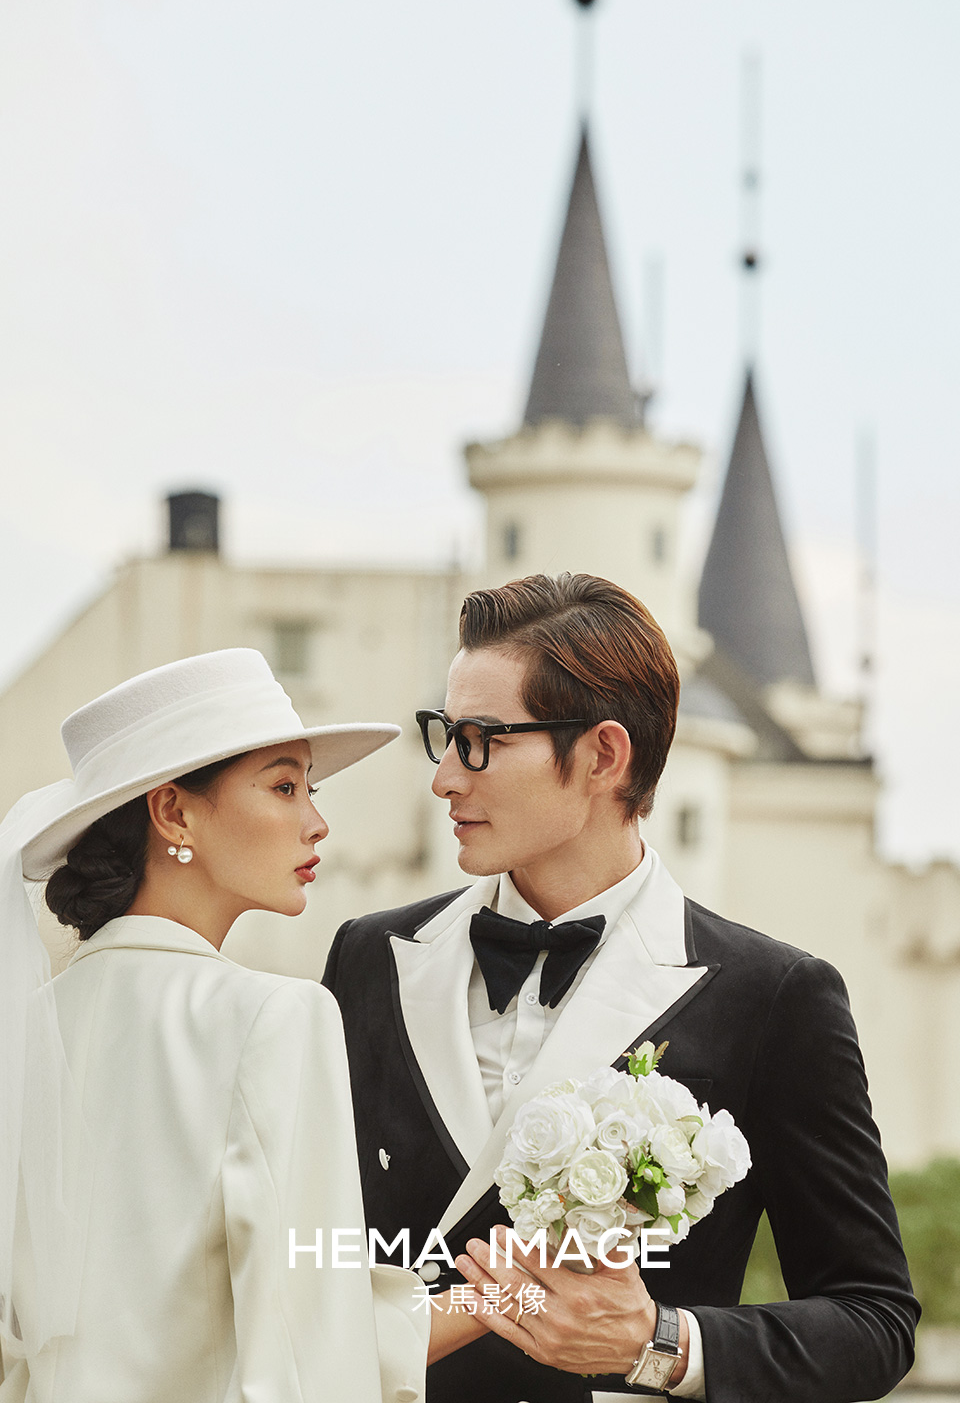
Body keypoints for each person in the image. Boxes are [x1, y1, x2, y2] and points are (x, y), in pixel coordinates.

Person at [323, 572, 920, 1403]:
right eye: (446, 736)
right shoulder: (369, 957)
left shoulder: (776, 995)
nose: (446, 778)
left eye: (482, 740)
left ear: (604, 755)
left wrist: (661, 1344)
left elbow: (874, 1322)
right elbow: (311, 1250)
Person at [0, 647, 479, 1403]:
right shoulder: (276, 1018)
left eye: (310, 789)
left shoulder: (25, 1029)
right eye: (284, 786)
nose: (317, 823)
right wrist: (517, 1291)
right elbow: (307, 1350)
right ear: (174, 811)